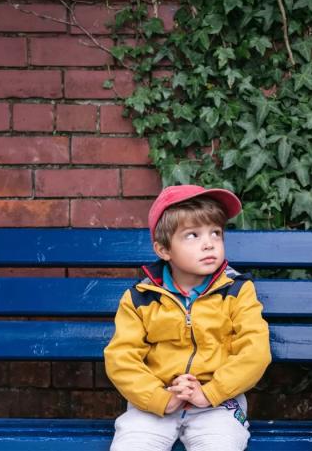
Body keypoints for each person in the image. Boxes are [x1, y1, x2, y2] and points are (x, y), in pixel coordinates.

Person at [104, 185, 271, 451]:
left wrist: (209, 392)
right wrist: (159, 398)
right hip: (156, 401)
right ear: (163, 250)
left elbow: (255, 352)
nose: (209, 243)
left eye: (215, 233)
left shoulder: (237, 291)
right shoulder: (141, 298)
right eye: (192, 235)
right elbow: (121, 358)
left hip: (218, 403)